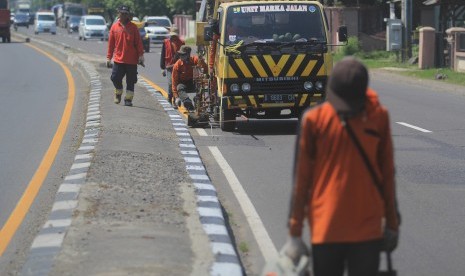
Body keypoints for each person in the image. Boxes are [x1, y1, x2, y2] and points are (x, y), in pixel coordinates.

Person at [284, 57, 400, 276]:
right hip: (356, 231)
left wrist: (295, 234)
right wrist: (392, 225)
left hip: (330, 229)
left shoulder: (316, 119)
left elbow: (301, 183)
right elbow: (387, 176)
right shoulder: (375, 117)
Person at [106, 5, 144, 107]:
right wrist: (108, 58)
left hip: (132, 60)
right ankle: (118, 92)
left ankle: (128, 99)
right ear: (118, 14)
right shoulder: (114, 27)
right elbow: (111, 44)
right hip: (118, 60)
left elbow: (138, 43)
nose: (123, 15)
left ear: (128, 15)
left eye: (125, 13)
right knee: (114, 78)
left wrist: (141, 56)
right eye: (122, 13)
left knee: (131, 81)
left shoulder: (133, 27)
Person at [171, 45, 207, 111]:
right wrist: (176, 97)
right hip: (183, 84)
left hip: (194, 82)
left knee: (201, 85)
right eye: (180, 54)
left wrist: (201, 61)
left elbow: (205, 69)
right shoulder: (177, 65)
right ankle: (187, 102)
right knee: (179, 87)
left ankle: (198, 100)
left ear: (188, 55)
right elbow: (174, 81)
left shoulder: (195, 60)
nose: (181, 56)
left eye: (183, 54)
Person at [160, 26, 185, 108]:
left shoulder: (182, 43)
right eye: (172, 35)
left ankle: (175, 100)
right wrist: (162, 67)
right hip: (169, 67)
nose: (173, 36)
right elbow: (163, 55)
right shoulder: (165, 42)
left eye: (175, 35)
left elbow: (185, 55)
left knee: (177, 83)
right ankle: (170, 97)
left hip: (179, 66)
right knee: (171, 83)